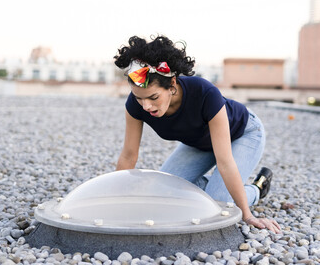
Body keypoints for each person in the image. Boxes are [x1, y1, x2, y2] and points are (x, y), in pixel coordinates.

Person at [114, 35, 281, 233]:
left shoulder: (205, 93)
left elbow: (225, 161)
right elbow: (128, 155)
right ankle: (218, 186)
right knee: (163, 191)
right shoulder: (136, 105)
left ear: (172, 84)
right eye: (139, 98)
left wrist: (247, 214)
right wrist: (116, 203)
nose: (146, 105)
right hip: (199, 143)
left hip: (243, 134)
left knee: (219, 203)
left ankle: (256, 189)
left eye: (153, 97)